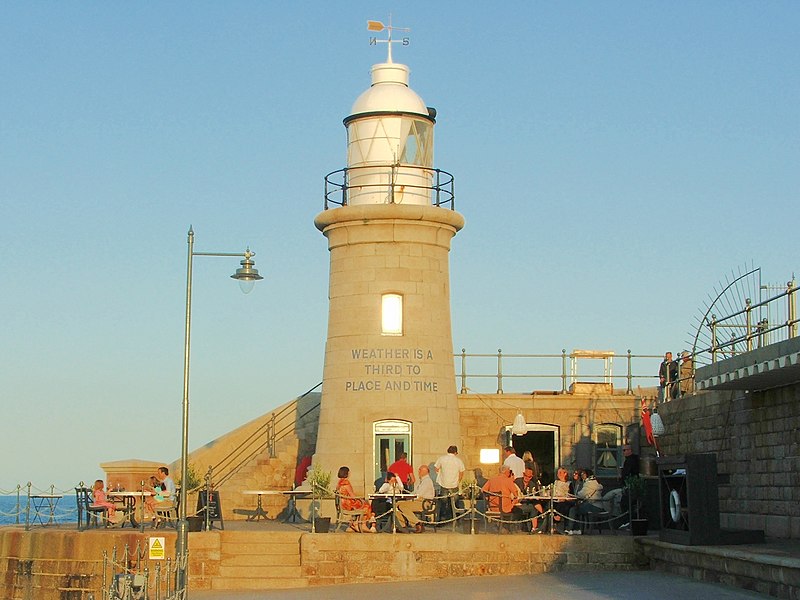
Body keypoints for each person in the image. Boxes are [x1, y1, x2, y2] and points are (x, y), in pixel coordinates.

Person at [481, 465, 521, 533]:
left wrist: (488, 498)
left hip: (492, 507)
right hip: (505, 507)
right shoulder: (508, 480)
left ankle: (499, 526)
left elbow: (483, 490)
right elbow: (516, 494)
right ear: (506, 471)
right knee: (519, 511)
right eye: (509, 471)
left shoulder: (492, 479)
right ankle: (509, 527)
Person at [336, 466, 376, 533]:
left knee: (363, 503)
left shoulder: (339, 483)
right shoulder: (346, 483)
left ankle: (354, 524)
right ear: (346, 473)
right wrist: (360, 499)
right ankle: (361, 524)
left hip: (342, 503)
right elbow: (352, 495)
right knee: (366, 506)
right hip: (347, 504)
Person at [396, 465, 435, 533]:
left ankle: (416, 523)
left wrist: (409, 498)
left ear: (424, 472)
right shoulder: (421, 481)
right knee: (396, 504)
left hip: (423, 502)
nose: (418, 471)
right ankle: (403, 525)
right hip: (417, 501)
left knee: (401, 506)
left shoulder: (427, 481)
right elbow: (414, 492)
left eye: (420, 470)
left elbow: (419, 494)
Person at [566, 469, 604, 534]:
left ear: (587, 474)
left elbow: (581, 495)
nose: (582, 475)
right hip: (598, 505)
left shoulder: (589, 483)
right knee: (577, 508)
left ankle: (570, 529)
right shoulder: (596, 482)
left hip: (593, 506)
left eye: (583, 474)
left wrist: (571, 496)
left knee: (573, 509)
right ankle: (578, 529)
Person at [434, 445, 465, 522]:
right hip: (454, 484)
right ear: (455, 452)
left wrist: (441, 475)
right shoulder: (458, 461)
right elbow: (461, 472)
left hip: (444, 483)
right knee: (455, 503)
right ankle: (455, 519)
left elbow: (436, 468)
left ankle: (442, 519)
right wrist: (458, 481)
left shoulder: (442, 459)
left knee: (443, 502)